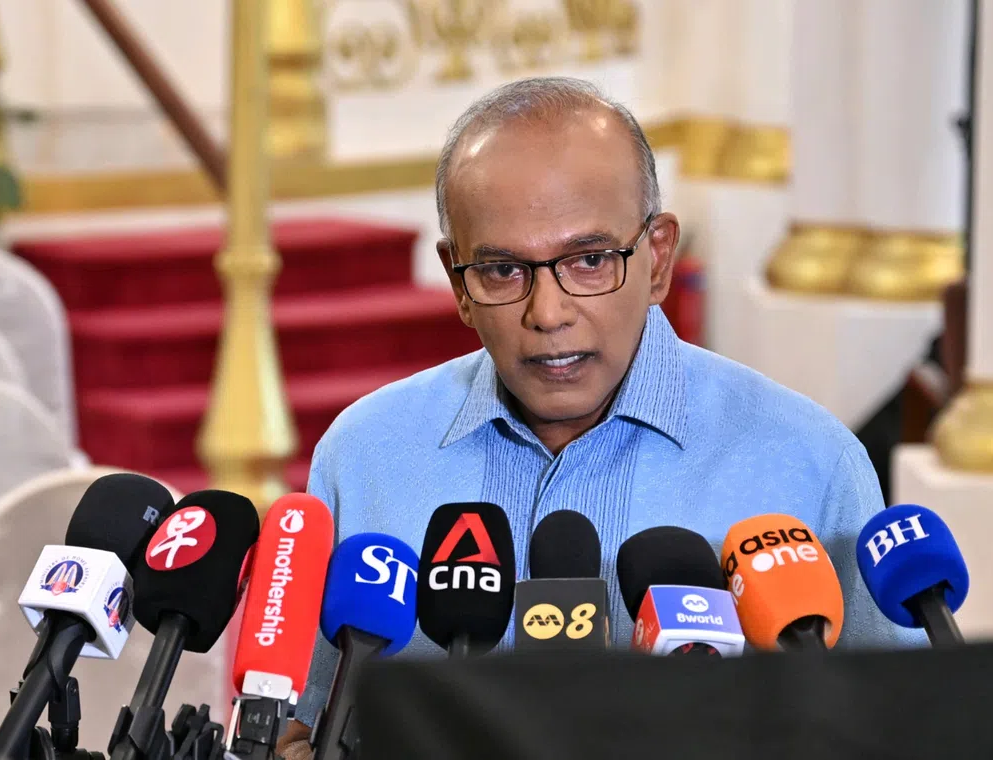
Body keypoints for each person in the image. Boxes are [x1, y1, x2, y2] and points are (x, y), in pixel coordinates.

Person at [277, 76, 921, 754]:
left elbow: (890, 733)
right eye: (501, 271)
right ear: (457, 283)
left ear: (660, 258)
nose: (548, 314)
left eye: (589, 260)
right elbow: (311, 724)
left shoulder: (810, 462)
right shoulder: (364, 453)